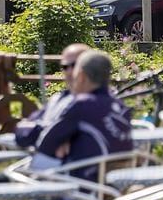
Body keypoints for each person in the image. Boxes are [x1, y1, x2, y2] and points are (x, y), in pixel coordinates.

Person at [27, 50, 133, 183]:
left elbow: (46, 144)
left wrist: (66, 141)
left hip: (82, 186)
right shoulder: (121, 106)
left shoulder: (81, 104)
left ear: (81, 76)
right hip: (116, 184)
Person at [14, 43, 90, 148]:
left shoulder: (96, 101)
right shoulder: (58, 98)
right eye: (65, 67)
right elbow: (24, 128)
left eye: (75, 65)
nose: (69, 71)